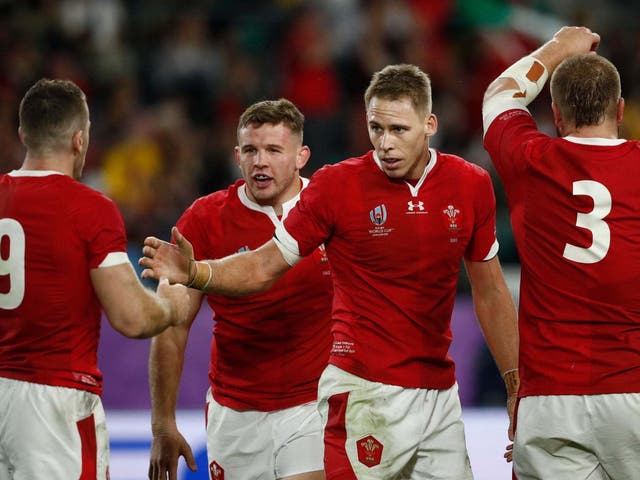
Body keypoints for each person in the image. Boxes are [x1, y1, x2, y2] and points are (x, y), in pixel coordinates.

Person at [141, 64, 519, 479]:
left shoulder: (467, 184)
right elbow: (253, 272)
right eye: (376, 128)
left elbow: (491, 290)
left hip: (346, 402)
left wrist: (516, 379)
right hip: (268, 406)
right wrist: (196, 273)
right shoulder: (317, 193)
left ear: (429, 124)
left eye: (398, 129)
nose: (386, 143)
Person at [0, 78, 190, 480]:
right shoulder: (88, 208)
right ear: (79, 140)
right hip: (54, 400)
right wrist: (172, 304)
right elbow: (132, 318)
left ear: (23, 135)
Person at [483, 26, 640, 479]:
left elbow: (500, 97)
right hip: (632, 389)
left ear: (553, 113)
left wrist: (557, 49)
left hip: (551, 400)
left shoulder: (531, 160)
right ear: (621, 110)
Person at [147, 99, 333, 480]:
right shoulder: (204, 219)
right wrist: (162, 423)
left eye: (273, 150)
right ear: (237, 155)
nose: (259, 161)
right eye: (250, 150)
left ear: (301, 156)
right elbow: (173, 325)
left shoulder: (330, 208)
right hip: (235, 414)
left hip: (315, 407)